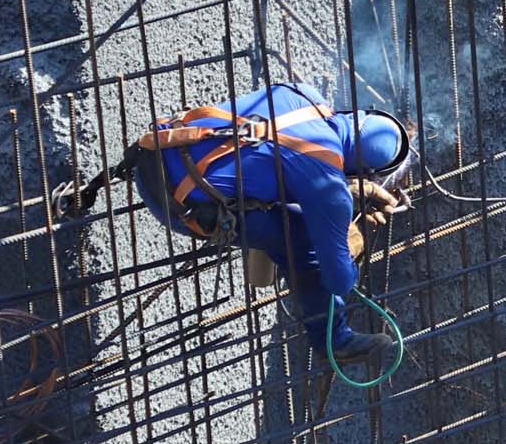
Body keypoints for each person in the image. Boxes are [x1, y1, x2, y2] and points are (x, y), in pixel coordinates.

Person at [117, 83, 411, 370]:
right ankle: (335, 342)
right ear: (363, 171)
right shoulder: (330, 191)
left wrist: (339, 194)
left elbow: (279, 155)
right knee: (303, 239)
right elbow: (339, 282)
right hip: (177, 205)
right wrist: (351, 241)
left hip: (152, 157)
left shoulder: (301, 92)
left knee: (289, 200)